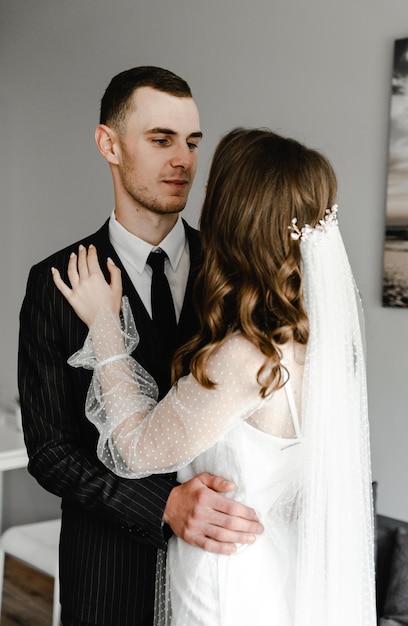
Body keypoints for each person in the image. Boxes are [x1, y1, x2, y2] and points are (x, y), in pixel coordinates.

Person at [52, 127, 377, 625]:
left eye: (214, 188)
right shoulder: (321, 343)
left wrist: (105, 328)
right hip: (273, 570)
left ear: (234, 213)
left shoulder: (249, 355)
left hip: (222, 584)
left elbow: (136, 448)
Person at [18, 68, 262, 626]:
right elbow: (50, 449)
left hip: (223, 576)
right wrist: (164, 506)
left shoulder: (234, 271)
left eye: (192, 142)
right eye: (160, 140)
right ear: (109, 144)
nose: (183, 160)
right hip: (108, 577)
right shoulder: (54, 280)